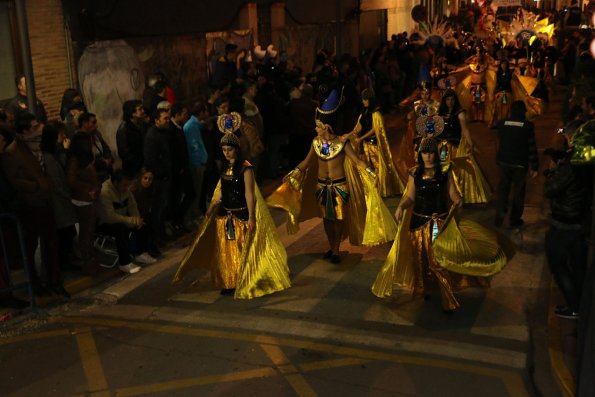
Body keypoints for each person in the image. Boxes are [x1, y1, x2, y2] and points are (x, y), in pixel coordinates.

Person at [372, 138, 512, 312]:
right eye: (425, 152)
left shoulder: (445, 171)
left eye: (431, 152)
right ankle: (426, 288)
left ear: (436, 154)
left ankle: (448, 300)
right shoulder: (414, 173)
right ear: (420, 154)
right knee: (422, 260)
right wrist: (401, 206)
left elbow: (452, 192)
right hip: (419, 225)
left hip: (441, 224)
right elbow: (410, 196)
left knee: (439, 261)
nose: (428, 156)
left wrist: (458, 200)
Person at [267, 89, 397, 264]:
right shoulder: (315, 143)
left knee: (338, 219)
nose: (316, 128)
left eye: (319, 126)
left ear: (326, 126)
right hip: (321, 187)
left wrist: (372, 173)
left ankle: (336, 249)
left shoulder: (342, 144)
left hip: (339, 187)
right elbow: (306, 163)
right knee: (327, 220)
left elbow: (358, 162)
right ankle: (331, 246)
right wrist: (293, 174)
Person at [172, 123, 291, 299]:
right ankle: (230, 282)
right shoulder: (224, 167)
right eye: (224, 149)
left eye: (229, 149)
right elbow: (223, 189)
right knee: (227, 251)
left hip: (241, 214)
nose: (226, 153)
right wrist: (213, 205)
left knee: (242, 250)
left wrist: (251, 217)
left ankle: (244, 279)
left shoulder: (246, 167)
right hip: (224, 216)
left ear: (236, 149)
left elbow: (249, 193)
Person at [543, 148, 589, 320]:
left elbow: (550, 189)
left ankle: (574, 306)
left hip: (565, 222)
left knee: (558, 265)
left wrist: (551, 172)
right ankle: (578, 305)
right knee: (578, 268)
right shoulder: (586, 162)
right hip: (580, 221)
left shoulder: (569, 166)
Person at [97, 169, 156, 274]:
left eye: (128, 185)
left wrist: (137, 219)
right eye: (124, 185)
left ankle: (141, 253)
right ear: (115, 183)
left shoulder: (126, 190)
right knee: (119, 229)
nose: (126, 188)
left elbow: (132, 206)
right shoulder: (105, 192)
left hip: (121, 218)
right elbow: (109, 216)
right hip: (104, 223)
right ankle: (124, 263)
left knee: (142, 222)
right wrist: (131, 220)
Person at [438, 89, 491, 204]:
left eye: (452, 99)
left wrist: (470, 143)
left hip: (454, 145)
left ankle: (458, 196)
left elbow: (465, 129)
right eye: (447, 99)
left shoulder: (460, 112)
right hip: (441, 146)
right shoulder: (440, 112)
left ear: (455, 100)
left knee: (457, 170)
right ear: (444, 101)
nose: (450, 102)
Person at [347, 88, 404, 197]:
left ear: (370, 100)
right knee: (368, 167)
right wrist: (349, 135)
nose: (363, 102)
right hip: (365, 145)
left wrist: (361, 138)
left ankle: (380, 188)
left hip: (374, 145)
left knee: (378, 167)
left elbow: (375, 128)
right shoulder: (364, 112)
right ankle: (371, 188)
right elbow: (359, 127)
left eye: (365, 99)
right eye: (363, 100)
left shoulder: (376, 112)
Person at [494, 100, 539, 228]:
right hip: (520, 164)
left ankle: (499, 218)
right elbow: (532, 147)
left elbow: (498, 142)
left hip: (504, 162)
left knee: (503, 191)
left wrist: (498, 159)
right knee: (518, 192)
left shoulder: (502, 124)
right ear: (523, 112)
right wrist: (535, 167)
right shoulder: (528, 126)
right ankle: (514, 220)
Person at [116, 100, 146, 177]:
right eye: (140, 109)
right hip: (133, 170)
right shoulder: (124, 129)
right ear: (132, 113)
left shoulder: (140, 124)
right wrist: (139, 165)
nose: (143, 111)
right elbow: (124, 153)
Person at [489, 59, 513, 128]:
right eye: (502, 64)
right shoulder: (497, 73)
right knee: (498, 108)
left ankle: (507, 124)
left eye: (505, 64)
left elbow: (514, 84)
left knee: (508, 108)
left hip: (508, 92)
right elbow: (495, 84)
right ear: (500, 65)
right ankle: (498, 123)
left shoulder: (510, 73)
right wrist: (492, 93)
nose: (504, 65)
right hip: (499, 92)